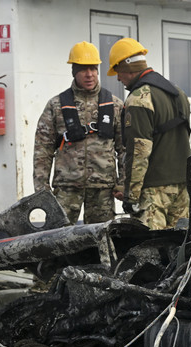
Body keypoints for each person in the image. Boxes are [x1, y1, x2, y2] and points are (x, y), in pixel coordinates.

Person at [33, 41, 125, 225]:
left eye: (93, 68)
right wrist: (41, 188)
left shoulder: (114, 105)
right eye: (83, 69)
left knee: (102, 238)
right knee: (58, 238)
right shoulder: (56, 105)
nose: (89, 74)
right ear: (74, 71)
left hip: (103, 189)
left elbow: (125, 148)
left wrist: (123, 182)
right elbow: (42, 149)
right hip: (66, 188)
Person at [108, 38, 191, 230]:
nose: (118, 78)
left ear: (127, 68)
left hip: (154, 192)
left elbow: (138, 153)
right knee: (179, 249)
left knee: (152, 250)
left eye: (118, 72)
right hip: (182, 187)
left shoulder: (139, 98)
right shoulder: (179, 93)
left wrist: (131, 196)